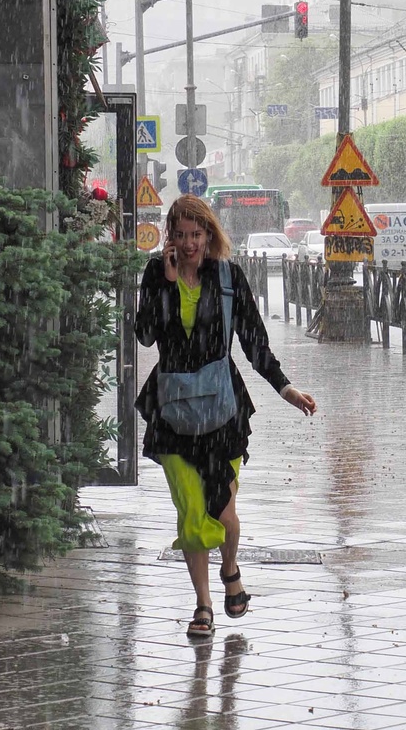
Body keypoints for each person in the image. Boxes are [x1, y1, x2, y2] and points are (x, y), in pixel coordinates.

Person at [135, 194, 317, 638]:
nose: (189, 243)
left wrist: (286, 388)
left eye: (196, 234)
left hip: (222, 411)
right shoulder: (157, 275)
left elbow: (254, 341)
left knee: (224, 511)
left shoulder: (229, 277)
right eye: (180, 234)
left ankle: (230, 567)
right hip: (172, 412)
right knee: (192, 512)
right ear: (169, 236)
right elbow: (144, 336)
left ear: (209, 234)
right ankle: (203, 605)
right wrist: (166, 283)